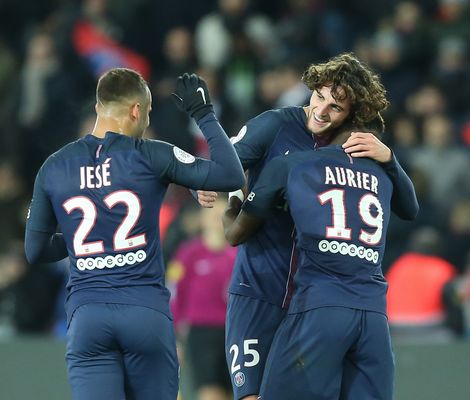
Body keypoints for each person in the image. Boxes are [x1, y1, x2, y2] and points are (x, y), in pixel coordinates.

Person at [199, 52, 416, 400]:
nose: (321, 110)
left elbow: (409, 205)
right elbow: (225, 166)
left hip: (311, 299)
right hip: (260, 289)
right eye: (319, 96)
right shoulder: (275, 125)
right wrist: (207, 181)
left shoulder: (356, 151)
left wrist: (390, 159)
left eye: (335, 107)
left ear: (352, 114)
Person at [23, 67, 244, 400]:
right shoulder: (150, 154)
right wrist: (203, 113)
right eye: (149, 111)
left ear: (99, 106)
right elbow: (230, 174)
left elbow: (35, 250)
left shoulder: (54, 166)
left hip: (88, 318)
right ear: (137, 110)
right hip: (145, 314)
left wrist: (91, 242)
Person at [169, 196, 236, 400]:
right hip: (202, 333)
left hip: (234, 333)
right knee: (210, 392)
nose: (217, 220)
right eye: (212, 214)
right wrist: (174, 336)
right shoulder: (189, 253)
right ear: (203, 218)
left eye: (222, 215)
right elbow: (174, 293)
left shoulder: (238, 253)